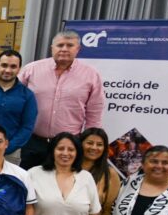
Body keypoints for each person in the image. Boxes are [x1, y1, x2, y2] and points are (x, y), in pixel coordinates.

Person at [18, 30, 104, 169]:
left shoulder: (91, 75)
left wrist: (89, 141)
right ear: (52, 48)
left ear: (78, 49)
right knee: (28, 183)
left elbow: (94, 112)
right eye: (60, 45)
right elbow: (13, 99)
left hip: (68, 145)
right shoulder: (31, 70)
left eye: (69, 45)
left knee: (62, 186)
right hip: (32, 141)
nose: (64, 49)